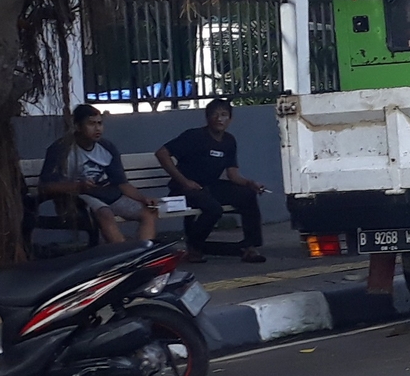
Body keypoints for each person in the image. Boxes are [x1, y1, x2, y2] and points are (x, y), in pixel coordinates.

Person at [156, 95, 269, 263]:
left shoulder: (229, 141)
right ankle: (194, 247)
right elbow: (161, 153)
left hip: (210, 187)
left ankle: (249, 247)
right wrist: (184, 181)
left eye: (224, 114)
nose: (219, 118)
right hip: (185, 188)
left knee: (247, 195)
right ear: (207, 117)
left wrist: (250, 183)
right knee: (214, 209)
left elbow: (232, 175)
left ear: (230, 119)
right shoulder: (193, 136)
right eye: (215, 114)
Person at [39, 102, 159, 246]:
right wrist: (77, 186)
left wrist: (143, 199)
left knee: (148, 212)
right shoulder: (60, 149)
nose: (97, 128)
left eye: (100, 123)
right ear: (77, 126)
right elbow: (46, 186)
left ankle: (143, 254)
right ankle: (123, 255)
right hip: (75, 199)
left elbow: (121, 183)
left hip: (107, 195)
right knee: (105, 213)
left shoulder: (107, 147)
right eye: (91, 124)